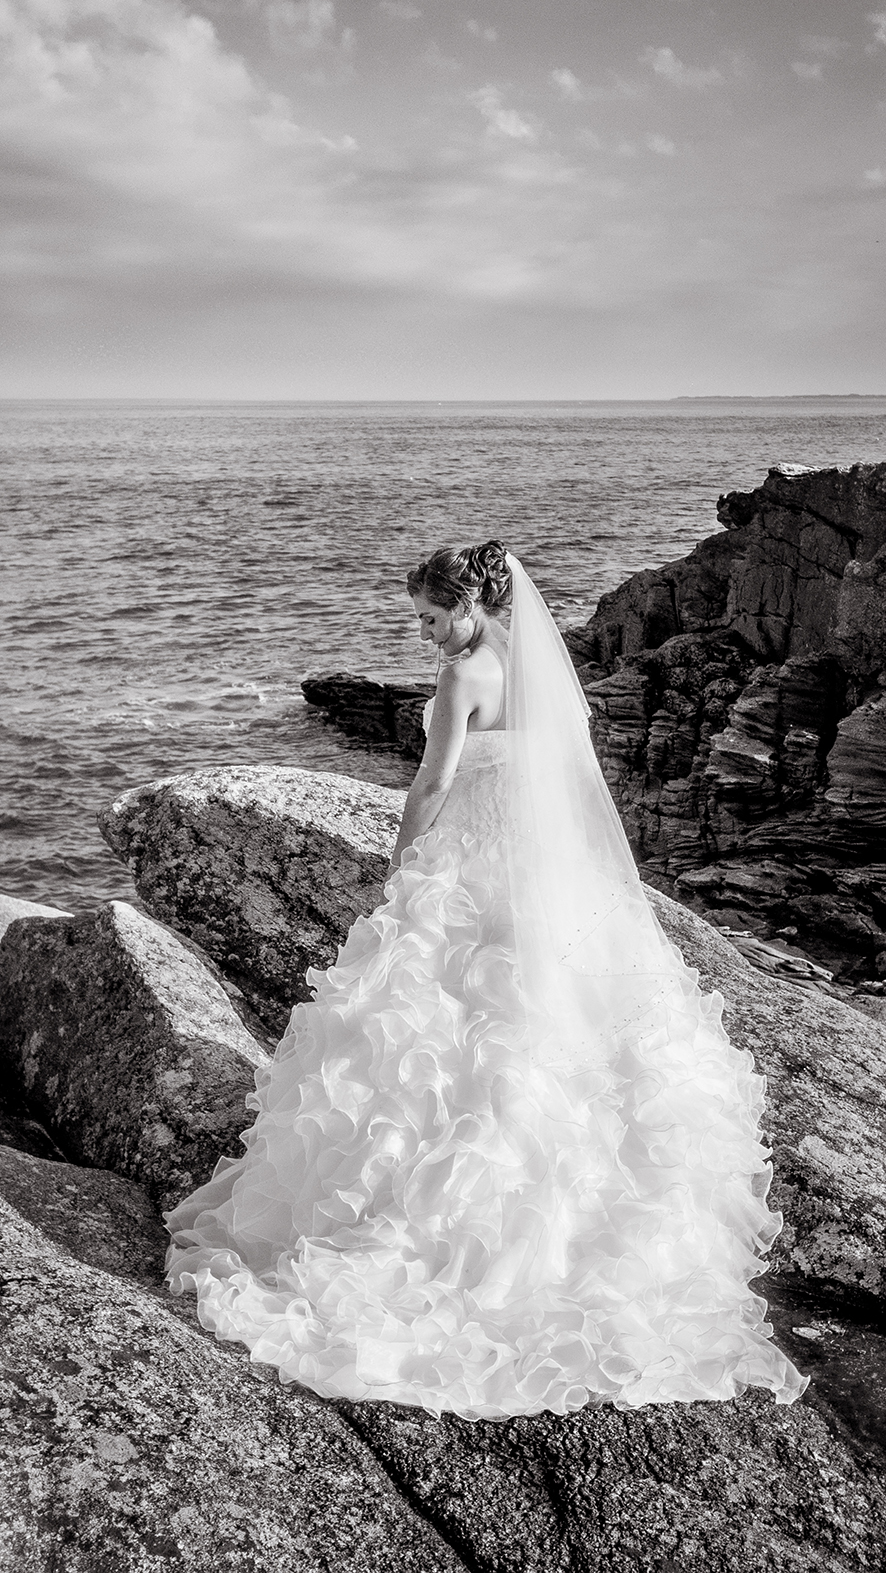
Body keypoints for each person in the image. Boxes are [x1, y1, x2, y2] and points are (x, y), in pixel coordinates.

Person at [165, 541, 808, 1417]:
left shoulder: (463, 678)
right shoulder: (529, 664)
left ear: (471, 603)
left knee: (435, 1026)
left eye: (433, 617)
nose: (425, 634)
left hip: (468, 864)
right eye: (420, 621)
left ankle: (413, 1230)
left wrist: (401, 863)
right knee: (541, 1024)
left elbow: (433, 783)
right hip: (539, 871)